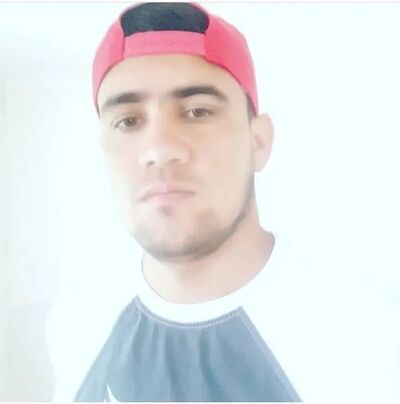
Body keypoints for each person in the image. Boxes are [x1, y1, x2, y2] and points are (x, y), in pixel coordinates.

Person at [47, 2, 400, 402]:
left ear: (258, 142)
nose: (159, 149)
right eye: (127, 121)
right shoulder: (75, 325)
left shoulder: (369, 336)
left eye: (198, 111)